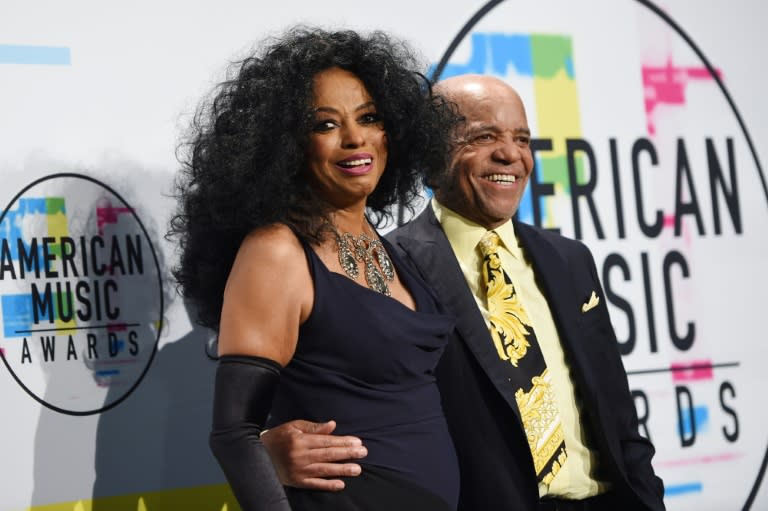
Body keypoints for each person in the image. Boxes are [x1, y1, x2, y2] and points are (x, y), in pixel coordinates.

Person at [262, 74, 667, 511]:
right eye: (484, 136)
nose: (510, 154)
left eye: (522, 139)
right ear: (432, 154)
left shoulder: (569, 260)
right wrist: (265, 448)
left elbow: (619, 418)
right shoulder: (385, 268)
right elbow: (338, 392)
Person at [169, 27, 461, 511]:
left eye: (369, 118)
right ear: (285, 145)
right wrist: (267, 450)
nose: (354, 138)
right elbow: (233, 434)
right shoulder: (277, 251)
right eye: (325, 125)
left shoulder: (393, 251)